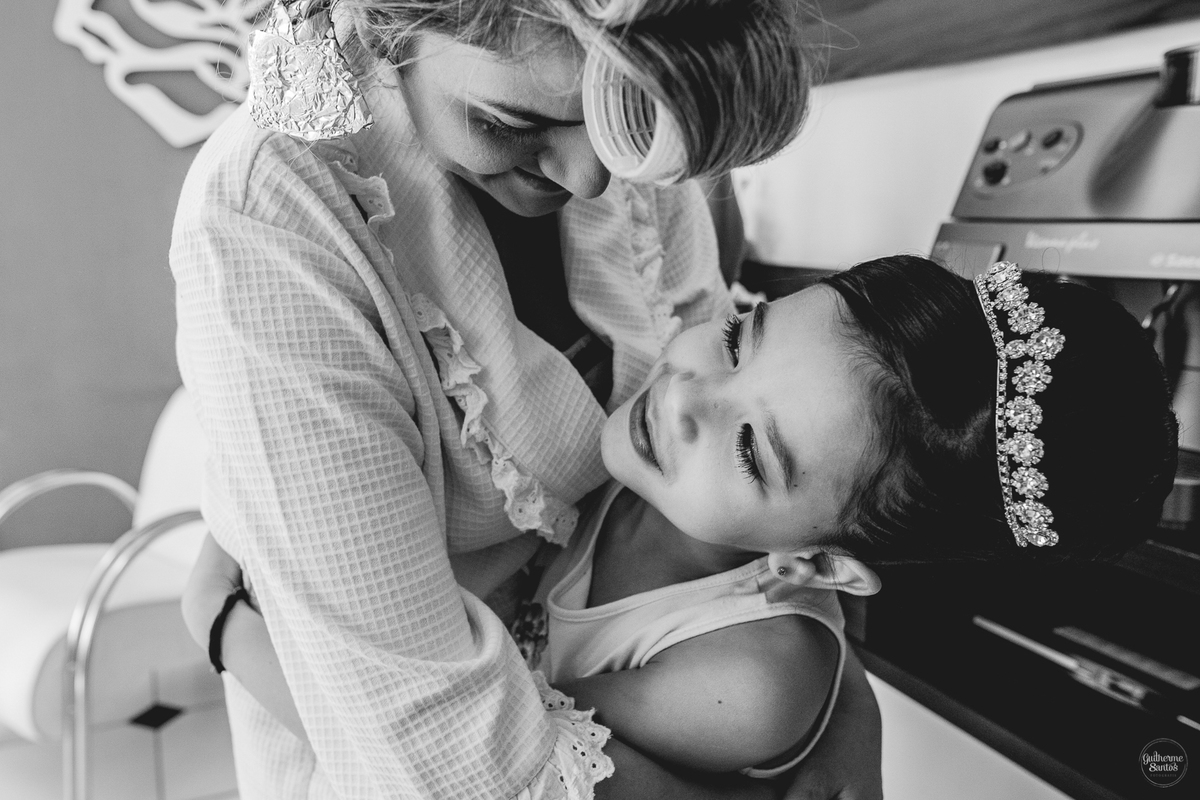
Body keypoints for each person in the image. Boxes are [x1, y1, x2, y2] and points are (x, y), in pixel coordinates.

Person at [171, 0, 884, 798]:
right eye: (511, 122)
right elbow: (431, 747)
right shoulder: (275, 215)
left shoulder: (630, 137)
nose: (594, 178)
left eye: (629, 119)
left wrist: (833, 692)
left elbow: (795, 481)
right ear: (389, 24)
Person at [186, 255, 1178, 787]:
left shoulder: (754, 679)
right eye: (746, 332)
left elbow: (435, 746)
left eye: (754, 448)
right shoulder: (647, 439)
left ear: (825, 563)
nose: (692, 389)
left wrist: (222, 622)